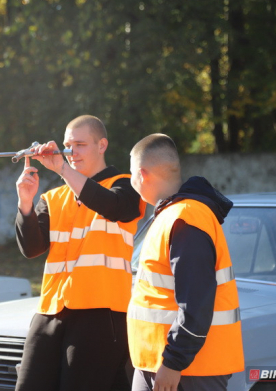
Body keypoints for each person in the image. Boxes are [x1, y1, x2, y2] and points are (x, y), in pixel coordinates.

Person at [14, 115, 146, 391]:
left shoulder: (126, 186)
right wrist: (25, 204)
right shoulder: (53, 197)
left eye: (80, 144)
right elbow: (31, 248)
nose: (70, 152)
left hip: (101, 314)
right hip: (51, 310)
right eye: (66, 145)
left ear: (102, 145)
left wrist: (63, 169)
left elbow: (112, 206)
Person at [126, 134, 244, 391]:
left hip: (189, 370)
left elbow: (196, 305)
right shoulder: (172, 215)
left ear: (142, 174)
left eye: (131, 174)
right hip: (161, 363)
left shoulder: (186, 218)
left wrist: (173, 363)